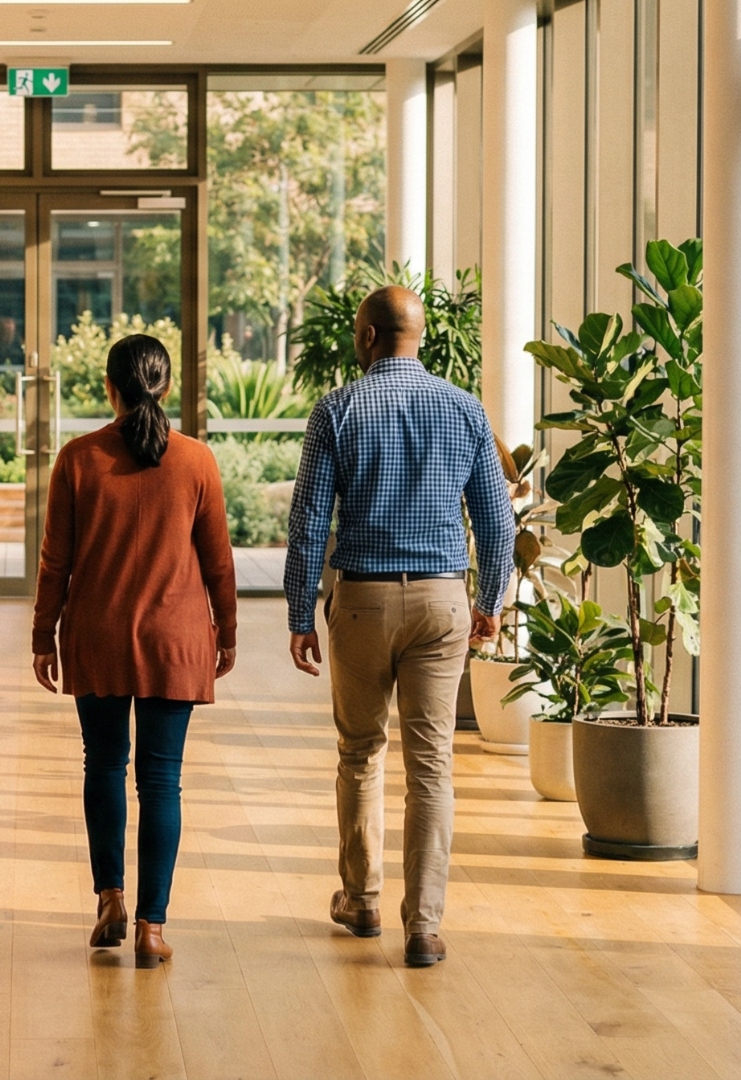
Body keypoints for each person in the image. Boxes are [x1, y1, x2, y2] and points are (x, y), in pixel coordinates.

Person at [282, 286, 513, 969]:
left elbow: (307, 525)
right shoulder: (465, 408)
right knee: (432, 764)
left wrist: (300, 612)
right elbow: (497, 523)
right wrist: (491, 600)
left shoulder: (339, 408)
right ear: (418, 336)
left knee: (360, 752)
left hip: (361, 601)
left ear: (368, 336)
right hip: (443, 602)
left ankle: (363, 899)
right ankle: (425, 924)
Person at [30, 334, 237, 970]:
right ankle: (152, 928)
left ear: (109, 388)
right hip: (175, 641)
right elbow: (219, 563)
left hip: (97, 636)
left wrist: (42, 636)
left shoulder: (78, 458)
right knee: (161, 781)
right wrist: (226, 634)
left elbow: (54, 562)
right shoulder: (197, 461)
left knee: (102, 767)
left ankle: (110, 902)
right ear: (166, 387)